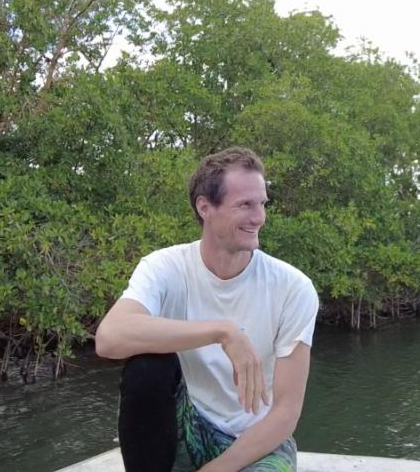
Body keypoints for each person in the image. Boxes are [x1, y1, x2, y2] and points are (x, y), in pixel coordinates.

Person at [95, 147, 320, 472]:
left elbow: (286, 411)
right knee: (146, 367)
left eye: (262, 204)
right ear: (205, 207)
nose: (259, 217)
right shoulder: (165, 267)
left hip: (254, 441)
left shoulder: (292, 288)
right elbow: (110, 338)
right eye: (245, 204)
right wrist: (221, 332)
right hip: (188, 424)